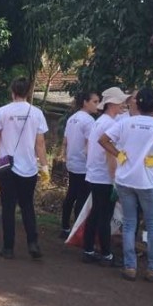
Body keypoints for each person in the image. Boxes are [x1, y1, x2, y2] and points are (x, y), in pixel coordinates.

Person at [99, 88, 153, 283]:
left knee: (129, 223)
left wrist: (118, 154)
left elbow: (103, 140)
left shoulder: (125, 123)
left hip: (125, 179)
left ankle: (130, 267)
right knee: (152, 225)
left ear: (138, 104)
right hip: (146, 181)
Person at [0, 76, 49, 260]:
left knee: (8, 207)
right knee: (27, 206)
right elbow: (40, 144)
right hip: (29, 168)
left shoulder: (2, 112)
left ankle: (8, 248)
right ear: (29, 92)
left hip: (5, 166)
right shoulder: (37, 113)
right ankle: (33, 243)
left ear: (12, 91)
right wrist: (45, 167)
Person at [82, 87, 129, 266]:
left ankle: (88, 249)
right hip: (104, 176)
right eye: (121, 102)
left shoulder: (100, 121)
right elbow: (110, 155)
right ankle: (106, 254)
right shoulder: (111, 124)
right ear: (113, 104)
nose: (123, 105)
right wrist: (115, 179)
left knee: (95, 213)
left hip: (94, 173)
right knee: (104, 215)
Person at [59, 91, 99, 238]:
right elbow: (91, 145)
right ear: (85, 102)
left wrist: (65, 156)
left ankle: (65, 227)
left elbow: (65, 142)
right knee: (82, 198)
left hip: (72, 162)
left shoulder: (72, 119)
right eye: (95, 101)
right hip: (84, 165)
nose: (97, 105)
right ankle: (77, 231)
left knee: (71, 195)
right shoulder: (89, 121)